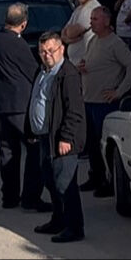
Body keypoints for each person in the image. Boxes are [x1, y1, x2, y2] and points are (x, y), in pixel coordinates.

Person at [27, 33, 86, 244]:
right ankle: (58, 220)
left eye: (51, 51)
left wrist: (66, 137)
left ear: (61, 49)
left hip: (61, 140)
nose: (46, 55)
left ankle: (74, 227)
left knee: (65, 184)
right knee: (50, 180)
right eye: (43, 51)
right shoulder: (43, 71)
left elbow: (75, 110)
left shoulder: (67, 74)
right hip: (44, 137)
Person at [0, 4, 48, 211]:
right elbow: (32, 71)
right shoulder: (17, 44)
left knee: (8, 150)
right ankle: (31, 197)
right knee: (35, 150)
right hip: (21, 105)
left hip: (2, 104)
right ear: (23, 24)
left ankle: (10, 196)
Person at [77, 7, 131, 197]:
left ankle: (109, 181)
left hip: (104, 104)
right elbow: (90, 60)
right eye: (91, 19)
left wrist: (119, 92)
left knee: (104, 145)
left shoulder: (115, 43)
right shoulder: (94, 40)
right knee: (92, 144)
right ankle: (95, 176)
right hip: (89, 99)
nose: (91, 22)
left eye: (95, 19)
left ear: (106, 21)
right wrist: (83, 66)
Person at [60, 0, 98, 65]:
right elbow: (64, 32)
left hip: (85, 63)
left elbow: (71, 33)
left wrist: (68, 35)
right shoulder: (78, 9)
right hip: (75, 62)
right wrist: (67, 37)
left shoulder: (92, 9)